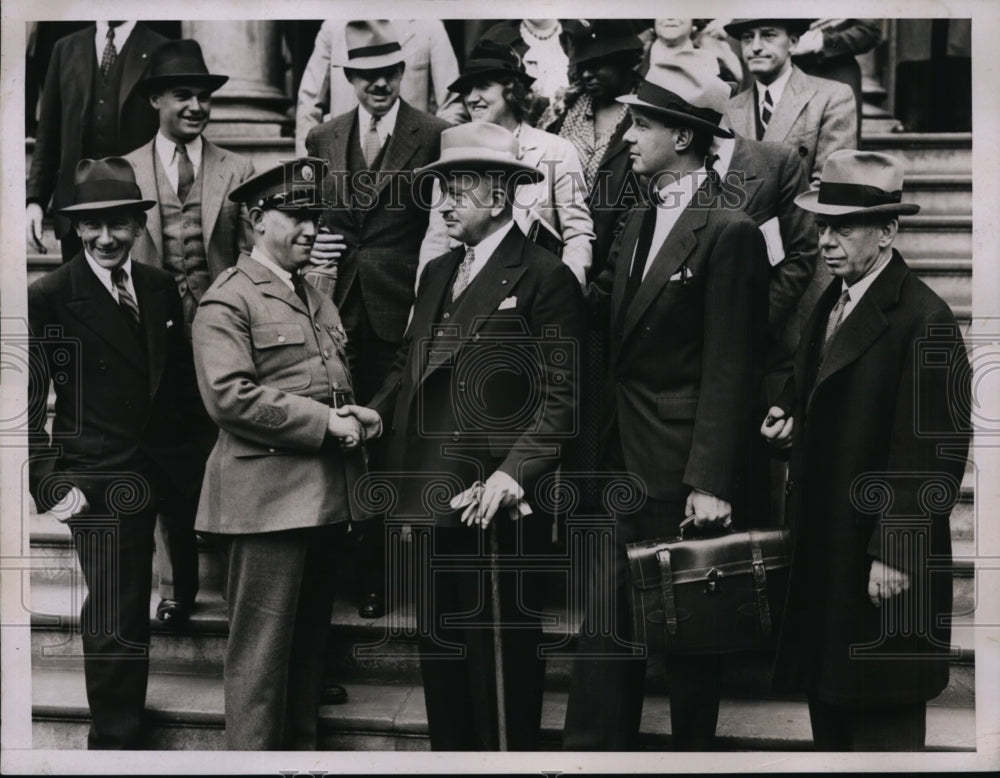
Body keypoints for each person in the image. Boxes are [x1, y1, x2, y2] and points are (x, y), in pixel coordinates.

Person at [354, 121, 584, 749]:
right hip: (427, 494)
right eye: (442, 190)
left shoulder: (545, 276)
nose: (445, 205)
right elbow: (408, 363)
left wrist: (512, 473)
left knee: (500, 674)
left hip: (496, 505)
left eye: (459, 191)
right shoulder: (437, 271)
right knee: (444, 662)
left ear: (501, 196)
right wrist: (376, 413)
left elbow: (562, 400)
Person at [563, 61, 770, 751]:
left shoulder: (730, 230)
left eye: (642, 124)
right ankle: (593, 757)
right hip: (619, 453)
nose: (627, 136)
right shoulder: (637, 215)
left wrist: (711, 481)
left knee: (689, 643)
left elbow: (732, 366)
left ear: (683, 137)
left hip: (682, 471)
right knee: (605, 628)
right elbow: (608, 312)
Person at [761, 150, 971, 751]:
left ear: (887, 232)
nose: (826, 241)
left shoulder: (925, 317)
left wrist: (896, 554)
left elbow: (933, 452)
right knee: (831, 723)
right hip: (830, 554)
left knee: (884, 730)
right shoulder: (835, 299)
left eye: (844, 228)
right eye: (822, 226)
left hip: (880, 564)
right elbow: (821, 387)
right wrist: (789, 417)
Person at [190, 158, 368, 750]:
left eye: (314, 217)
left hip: (322, 498)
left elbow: (327, 381)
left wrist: (355, 414)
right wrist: (326, 423)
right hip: (264, 504)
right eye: (295, 216)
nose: (310, 229)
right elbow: (230, 398)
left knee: (306, 657)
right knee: (261, 663)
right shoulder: (229, 299)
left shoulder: (313, 296)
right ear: (257, 219)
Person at [27, 157, 204, 749]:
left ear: (139, 225)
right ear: (76, 227)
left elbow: (178, 382)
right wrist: (50, 480)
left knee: (168, 591)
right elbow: (27, 401)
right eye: (93, 224)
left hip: (166, 464)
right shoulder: (51, 294)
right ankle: (114, 742)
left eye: (119, 223)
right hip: (98, 476)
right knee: (115, 614)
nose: (106, 237)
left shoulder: (158, 287)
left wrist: (198, 462)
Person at [304, 20, 451, 620]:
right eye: (366, 76)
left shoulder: (434, 134)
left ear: (402, 73)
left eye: (388, 73)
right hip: (337, 310)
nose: (379, 85)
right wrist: (317, 246)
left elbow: (442, 226)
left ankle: (377, 577)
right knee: (338, 436)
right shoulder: (324, 136)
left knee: (387, 441)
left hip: (402, 307)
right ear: (350, 78)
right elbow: (312, 216)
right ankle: (340, 569)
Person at [123, 38, 256, 626]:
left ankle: (239, 584)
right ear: (155, 100)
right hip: (154, 341)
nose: (197, 106)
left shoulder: (237, 168)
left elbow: (251, 254)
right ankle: (176, 586)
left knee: (229, 455)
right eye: (183, 95)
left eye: (204, 97)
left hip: (221, 336)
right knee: (163, 462)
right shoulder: (126, 169)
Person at [422, 38, 595, 286]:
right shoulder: (453, 155)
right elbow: (437, 241)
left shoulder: (556, 151)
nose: (472, 98)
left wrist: (563, 292)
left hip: (534, 291)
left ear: (511, 90)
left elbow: (577, 235)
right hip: (466, 294)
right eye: (467, 90)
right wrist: (425, 303)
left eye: (483, 86)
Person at [27, 21, 169, 260]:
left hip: (134, 211)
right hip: (76, 211)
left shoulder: (160, 48)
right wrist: (35, 201)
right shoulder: (66, 48)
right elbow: (48, 135)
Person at [295, 18, 462, 155]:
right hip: (344, 152)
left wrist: (439, 158)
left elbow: (451, 103)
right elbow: (309, 102)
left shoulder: (430, 26)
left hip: (411, 151)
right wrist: (306, 171)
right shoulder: (334, 26)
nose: (381, 83)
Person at [723, 18, 857, 187]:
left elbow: (830, 186)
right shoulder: (730, 107)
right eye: (747, 38)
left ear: (793, 42)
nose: (755, 47)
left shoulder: (832, 97)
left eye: (768, 35)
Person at [792, 19, 883, 144]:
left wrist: (820, 41)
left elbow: (869, 31)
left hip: (833, 70)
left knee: (838, 148)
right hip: (782, 72)